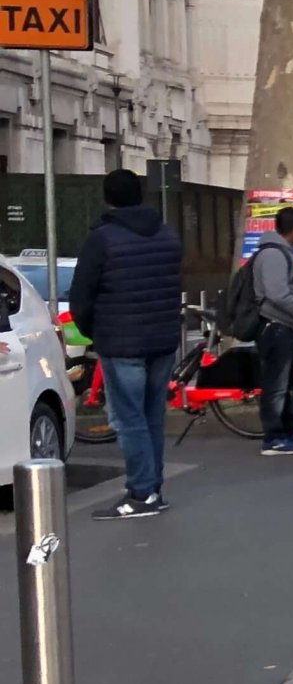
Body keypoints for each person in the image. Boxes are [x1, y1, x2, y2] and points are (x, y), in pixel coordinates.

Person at [68, 166, 184, 518]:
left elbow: (81, 296)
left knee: (129, 419)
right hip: (163, 340)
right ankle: (153, 488)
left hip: (121, 343)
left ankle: (141, 493)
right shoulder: (167, 235)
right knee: (152, 417)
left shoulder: (102, 239)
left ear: (108, 199)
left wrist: (95, 331)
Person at [248, 205, 293, 456]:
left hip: (288, 327)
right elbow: (277, 295)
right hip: (277, 327)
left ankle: (289, 431)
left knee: (287, 383)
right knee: (276, 385)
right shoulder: (273, 255)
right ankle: (274, 437)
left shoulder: (282, 252)